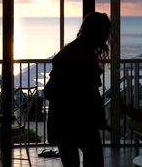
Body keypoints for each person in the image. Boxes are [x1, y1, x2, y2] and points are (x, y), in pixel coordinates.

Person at [44, 12, 111, 167]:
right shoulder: (85, 56)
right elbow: (92, 94)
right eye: (106, 32)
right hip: (80, 121)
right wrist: (99, 117)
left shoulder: (70, 52)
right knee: (94, 160)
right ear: (97, 32)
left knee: (71, 162)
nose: (107, 37)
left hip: (62, 120)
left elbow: (50, 90)